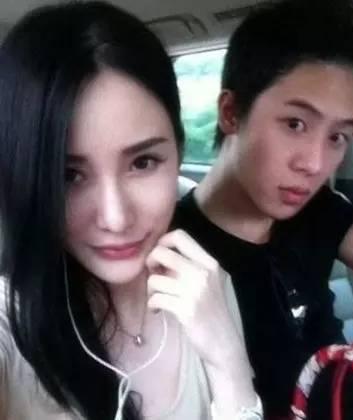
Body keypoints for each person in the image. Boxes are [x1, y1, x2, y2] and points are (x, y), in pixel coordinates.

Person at [0, 2, 263, 419]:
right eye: (68, 175)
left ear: (178, 151)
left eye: (143, 162)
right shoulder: (9, 324)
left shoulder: (206, 287)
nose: (116, 218)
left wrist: (227, 362)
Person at [173, 0, 353, 418]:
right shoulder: (175, 250)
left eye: (338, 136)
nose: (314, 164)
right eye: (295, 124)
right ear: (230, 113)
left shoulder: (318, 213)